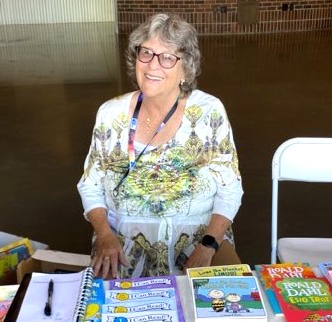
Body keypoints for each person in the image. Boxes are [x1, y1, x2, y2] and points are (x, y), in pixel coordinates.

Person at [77, 13, 243, 279]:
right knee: (110, 313)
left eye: (167, 57)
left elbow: (230, 189)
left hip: (198, 239)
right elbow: (90, 184)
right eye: (146, 53)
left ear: (185, 70)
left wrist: (209, 245)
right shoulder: (110, 114)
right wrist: (104, 235)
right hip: (123, 241)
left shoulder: (209, 113)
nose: (153, 66)